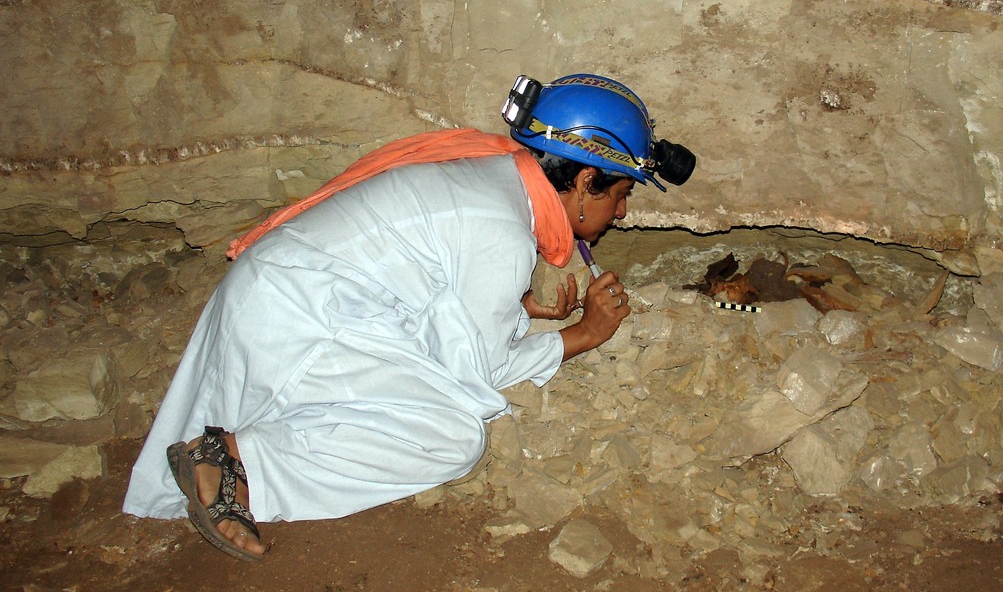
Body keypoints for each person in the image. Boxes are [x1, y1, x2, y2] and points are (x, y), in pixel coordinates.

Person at [122, 73, 695, 561]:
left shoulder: (491, 171)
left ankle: (230, 453)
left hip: (284, 298)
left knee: (430, 395)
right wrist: (583, 336)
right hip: (297, 325)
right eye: (621, 193)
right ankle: (236, 459)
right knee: (451, 438)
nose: (621, 212)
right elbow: (477, 372)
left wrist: (517, 311)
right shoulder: (500, 228)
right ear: (587, 179)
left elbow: (429, 293)